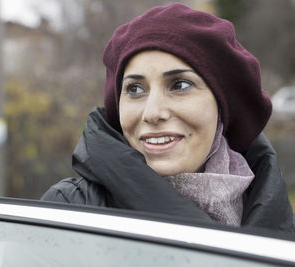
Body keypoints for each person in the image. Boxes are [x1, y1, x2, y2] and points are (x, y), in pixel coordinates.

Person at [41, 3, 294, 232]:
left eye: (180, 85)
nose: (152, 113)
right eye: (135, 89)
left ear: (222, 105)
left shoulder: (272, 216)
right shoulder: (71, 208)